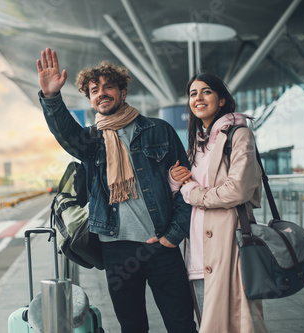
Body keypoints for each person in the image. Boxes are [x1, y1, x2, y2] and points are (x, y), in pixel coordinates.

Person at [37, 48, 197, 333]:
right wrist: (52, 97)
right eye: (94, 89)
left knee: (181, 323)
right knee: (132, 326)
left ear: (123, 91)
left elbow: (187, 188)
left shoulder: (159, 131)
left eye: (108, 86)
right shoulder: (91, 141)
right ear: (90, 98)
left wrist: (174, 236)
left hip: (161, 243)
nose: (101, 93)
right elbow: (65, 133)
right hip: (117, 249)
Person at [166, 72, 268, 332]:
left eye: (206, 91)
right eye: (192, 93)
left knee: (238, 320)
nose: (198, 98)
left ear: (221, 100)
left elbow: (238, 190)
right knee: (209, 322)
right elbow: (187, 186)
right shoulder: (197, 142)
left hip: (228, 244)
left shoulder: (239, 135)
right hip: (199, 250)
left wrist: (192, 193)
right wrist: (175, 181)